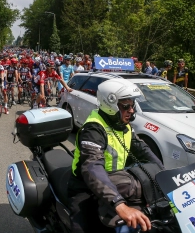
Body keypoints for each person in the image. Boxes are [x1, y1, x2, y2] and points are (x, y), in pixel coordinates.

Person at [67, 78, 164, 233]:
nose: (131, 110)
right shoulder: (93, 129)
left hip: (116, 182)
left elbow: (143, 150)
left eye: (132, 105)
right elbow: (92, 167)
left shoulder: (122, 125)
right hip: (87, 186)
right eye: (126, 106)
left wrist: (164, 176)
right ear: (110, 105)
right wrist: (118, 203)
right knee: (83, 228)